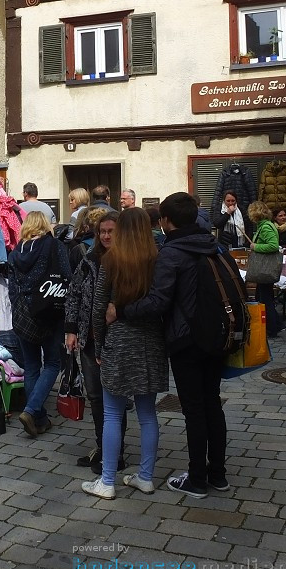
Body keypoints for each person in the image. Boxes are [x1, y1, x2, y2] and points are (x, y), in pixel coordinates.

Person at [113, 192, 230, 498]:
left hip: (187, 339)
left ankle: (196, 478)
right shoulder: (214, 246)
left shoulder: (172, 252)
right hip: (217, 335)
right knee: (212, 403)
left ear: (165, 221)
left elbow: (158, 301)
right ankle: (217, 473)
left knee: (193, 409)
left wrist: (122, 311)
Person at [82, 207, 166, 500]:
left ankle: (106, 481)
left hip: (118, 342)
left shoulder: (112, 260)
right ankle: (145, 476)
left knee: (112, 414)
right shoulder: (157, 260)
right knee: (147, 414)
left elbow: (97, 307)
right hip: (151, 343)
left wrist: (100, 343)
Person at [64, 210, 125, 474]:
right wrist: (70, 329)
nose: (106, 235)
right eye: (102, 231)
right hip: (88, 338)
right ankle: (102, 448)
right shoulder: (89, 259)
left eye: (111, 231)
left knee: (114, 398)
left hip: (114, 340)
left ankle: (115, 453)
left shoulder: (126, 261)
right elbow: (73, 294)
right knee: (95, 397)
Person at [8, 211, 71, 437]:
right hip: (49, 311)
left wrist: (18, 305)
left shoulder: (16, 252)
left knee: (32, 366)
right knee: (53, 363)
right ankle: (32, 409)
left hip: (23, 314)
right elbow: (67, 275)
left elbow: (12, 287)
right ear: (45, 225)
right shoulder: (54, 245)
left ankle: (40, 419)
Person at [247, 201, 285, 337]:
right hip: (265, 268)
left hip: (265, 268)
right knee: (264, 296)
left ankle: (271, 328)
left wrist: (255, 247)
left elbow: (273, 246)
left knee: (265, 299)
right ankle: (277, 324)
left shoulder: (265, 227)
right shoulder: (264, 226)